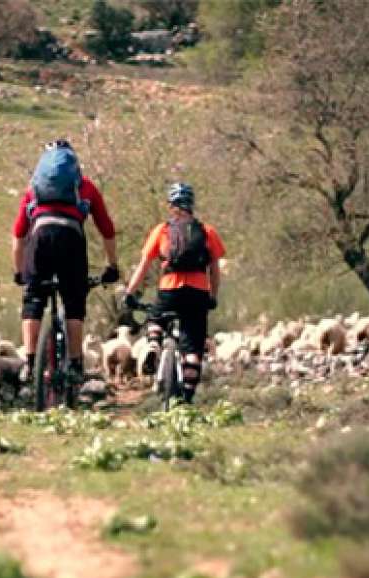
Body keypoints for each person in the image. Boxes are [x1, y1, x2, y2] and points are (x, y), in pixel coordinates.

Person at [12, 139, 119, 383]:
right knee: (73, 301)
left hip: (40, 238)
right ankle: (74, 364)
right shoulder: (85, 187)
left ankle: (29, 363)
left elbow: (18, 233)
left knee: (33, 298)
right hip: (71, 238)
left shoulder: (34, 190)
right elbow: (107, 229)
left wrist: (20, 272)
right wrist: (111, 266)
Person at [123, 182, 225, 403]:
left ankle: (153, 342)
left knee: (155, 315)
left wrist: (129, 293)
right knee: (193, 346)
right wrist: (212, 297)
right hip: (198, 291)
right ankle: (187, 397)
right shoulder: (207, 231)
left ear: (171, 205)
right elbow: (215, 270)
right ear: (192, 205)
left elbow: (143, 265)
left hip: (169, 288)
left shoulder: (163, 230)